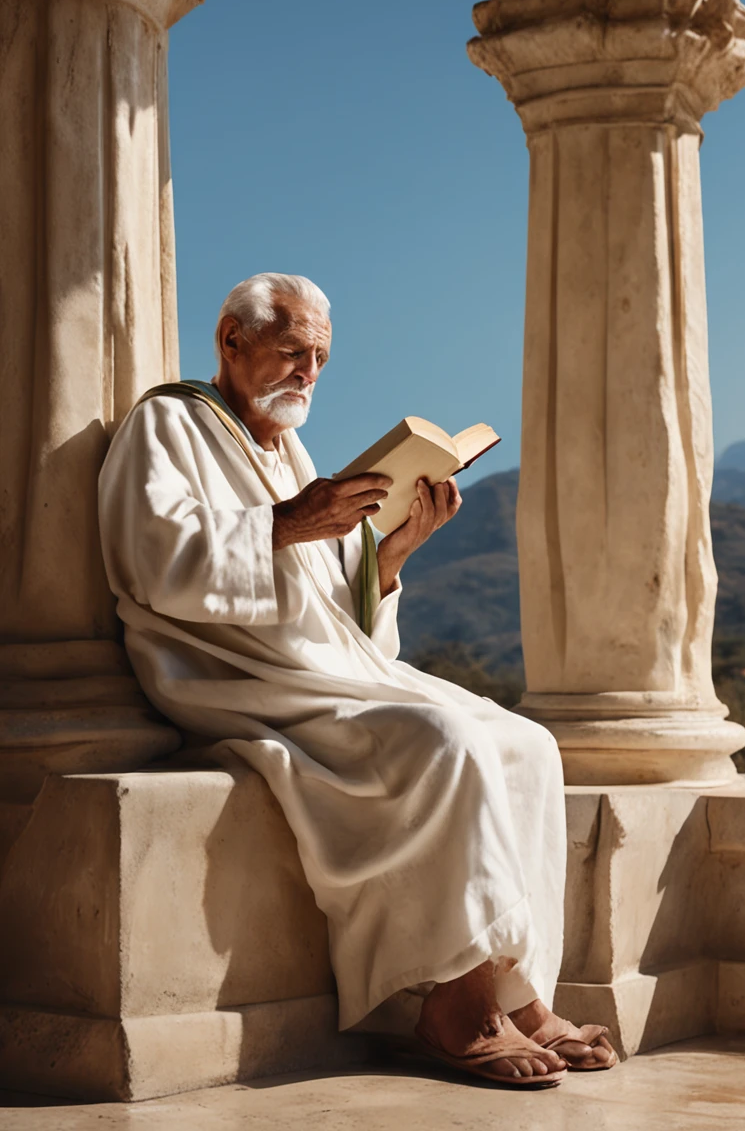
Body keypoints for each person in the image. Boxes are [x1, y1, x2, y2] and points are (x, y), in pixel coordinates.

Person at [98, 272, 617, 1087]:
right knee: (444, 740)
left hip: (325, 664)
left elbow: (331, 597)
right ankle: (455, 1004)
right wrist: (293, 521)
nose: (308, 373)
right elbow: (153, 561)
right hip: (230, 672)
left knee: (527, 743)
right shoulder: (168, 425)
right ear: (231, 341)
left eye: (321, 359)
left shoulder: (285, 444)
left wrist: (396, 549)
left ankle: (520, 996)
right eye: (293, 351)